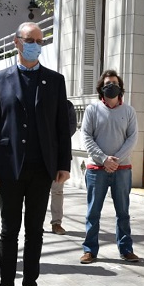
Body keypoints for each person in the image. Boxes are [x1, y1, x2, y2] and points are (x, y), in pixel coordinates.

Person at [0, 22, 72, 286]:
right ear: (17, 42)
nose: (35, 45)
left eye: (40, 41)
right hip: (9, 168)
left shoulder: (54, 81)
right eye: (30, 39)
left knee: (35, 230)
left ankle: (30, 285)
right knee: (10, 229)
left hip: (41, 168)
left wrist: (64, 164)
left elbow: (62, 127)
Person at [79, 70, 139, 264]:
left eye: (114, 82)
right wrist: (104, 159)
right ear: (101, 88)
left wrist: (116, 160)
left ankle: (126, 249)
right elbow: (86, 136)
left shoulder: (129, 111)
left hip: (122, 170)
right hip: (97, 170)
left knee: (123, 212)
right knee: (93, 212)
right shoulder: (92, 110)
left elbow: (132, 138)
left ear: (120, 87)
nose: (110, 86)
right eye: (107, 83)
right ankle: (89, 250)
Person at [48, 100, 78, 235]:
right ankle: (35, 223)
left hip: (59, 155)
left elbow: (71, 127)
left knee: (57, 191)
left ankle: (56, 223)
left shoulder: (67, 105)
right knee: (36, 193)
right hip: (38, 155)